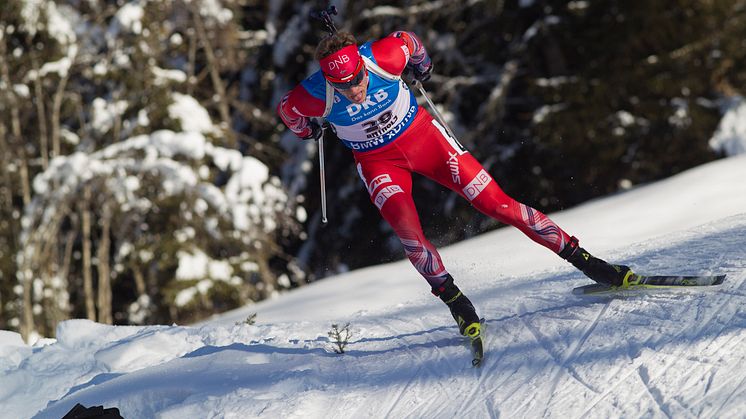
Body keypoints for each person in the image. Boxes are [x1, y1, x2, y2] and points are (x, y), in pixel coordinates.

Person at [277, 30, 634, 341]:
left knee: (497, 204)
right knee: (409, 232)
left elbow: (410, 41)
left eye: (356, 80)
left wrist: (423, 66)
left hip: (425, 139)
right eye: (343, 86)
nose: (354, 91)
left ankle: (589, 262)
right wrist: (308, 130)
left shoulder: (382, 56)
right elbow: (288, 111)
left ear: (361, 65)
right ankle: (455, 301)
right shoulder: (313, 94)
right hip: (378, 163)